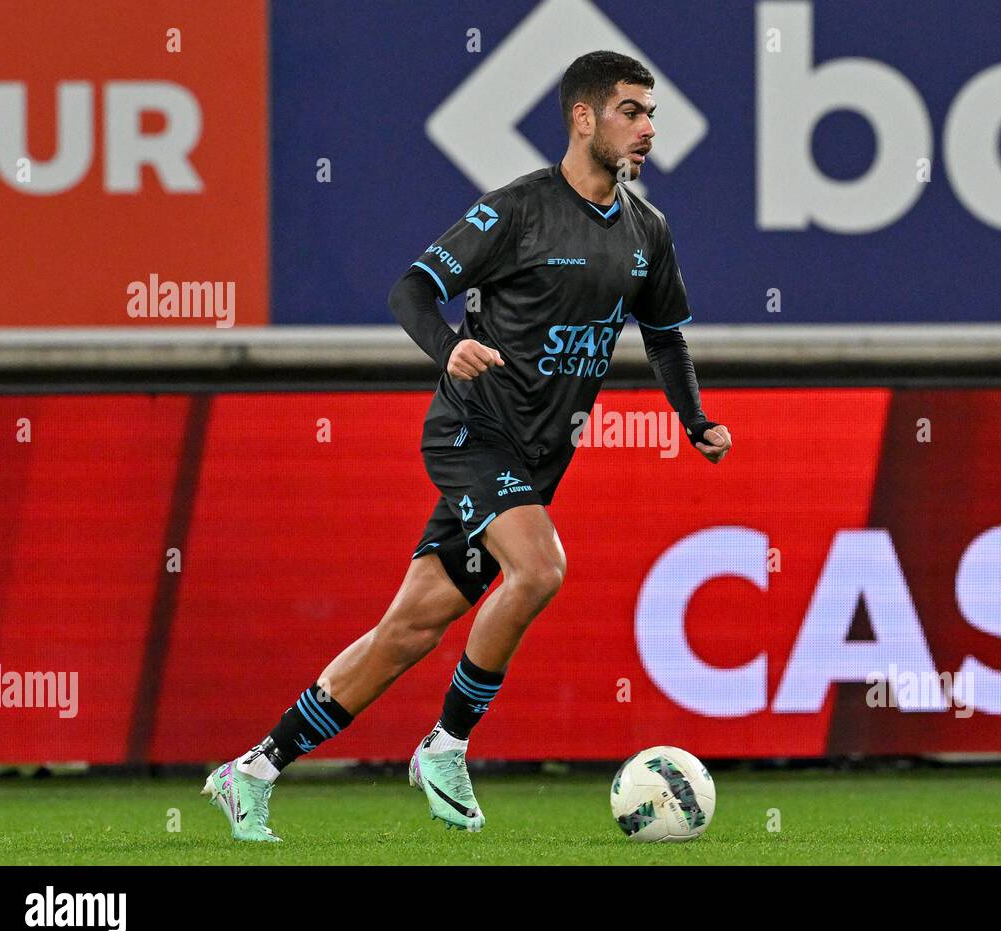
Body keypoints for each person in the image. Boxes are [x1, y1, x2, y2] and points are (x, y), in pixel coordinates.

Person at [203, 49, 731, 839]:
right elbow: (411, 287)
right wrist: (447, 345)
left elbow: (665, 338)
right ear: (583, 117)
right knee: (541, 567)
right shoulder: (514, 211)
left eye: (652, 112)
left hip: (535, 462)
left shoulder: (648, 231)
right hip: (469, 432)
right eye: (632, 110)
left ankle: (251, 771)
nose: (649, 127)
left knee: (408, 632)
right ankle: (446, 745)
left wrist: (694, 419)